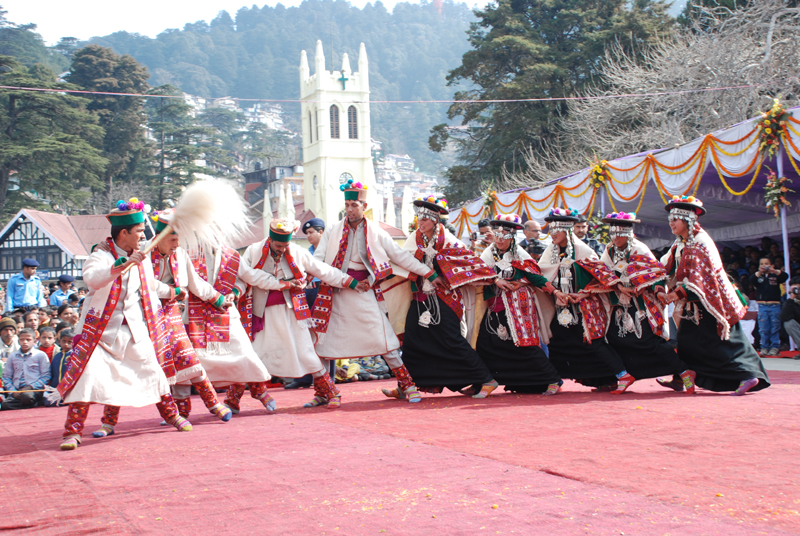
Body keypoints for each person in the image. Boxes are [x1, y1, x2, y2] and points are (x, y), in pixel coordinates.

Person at [56, 198, 191, 451]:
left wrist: (174, 292)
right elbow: (93, 280)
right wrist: (120, 265)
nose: (143, 236)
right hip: (101, 333)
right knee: (87, 378)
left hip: (135, 329)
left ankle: (172, 416)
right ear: (124, 232)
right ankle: (72, 433)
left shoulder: (140, 257)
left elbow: (151, 287)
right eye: (139, 232)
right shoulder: (100, 255)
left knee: (153, 371)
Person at [313, 179, 447, 404]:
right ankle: (323, 393)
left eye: (354, 205)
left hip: (364, 291)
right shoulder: (333, 230)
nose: (350, 210)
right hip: (335, 291)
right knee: (323, 344)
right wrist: (310, 274)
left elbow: (400, 256)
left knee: (384, 339)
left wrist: (428, 273)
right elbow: (317, 260)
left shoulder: (376, 232)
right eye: (347, 205)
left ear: (364, 206)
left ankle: (408, 386)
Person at [240, 218, 362, 409]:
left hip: (293, 311)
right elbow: (244, 276)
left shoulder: (297, 252)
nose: (282, 249)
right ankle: (237, 398)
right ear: (270, 240)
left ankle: (331, 392)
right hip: (261, 314)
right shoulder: (253, 251)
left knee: (306, 352)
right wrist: (233, 293)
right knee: (254, 354)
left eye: (285, 245)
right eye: (278, 245)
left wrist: (350, 282)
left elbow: (323, 271)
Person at [659, 195, 770, 395]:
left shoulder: (701, 242)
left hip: (715, 303)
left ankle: (749, 375)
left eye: (675, 219)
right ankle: (681, 377)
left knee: (727, 343)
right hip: (695, 304)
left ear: (687, 219)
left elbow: (700, 278)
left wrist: (675, 294)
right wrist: (654, 283)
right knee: (687, 342)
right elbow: (664, 267)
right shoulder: (680, 244)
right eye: (670, 219)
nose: (671, 223)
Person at [396, 196, 499, 398]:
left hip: (446, 299)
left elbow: (470, 263)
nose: (420, 222)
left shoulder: (449, 240)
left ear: (435, 220)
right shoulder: (414, 238)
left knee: (451, 340)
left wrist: (441, 269)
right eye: (419, 218)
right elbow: (402, 259)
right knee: (412, 340)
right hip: (421, 297)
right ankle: (406, 386)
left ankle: (486, 380)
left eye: (425, 219)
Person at [592, 212, 695, 393]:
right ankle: (623, 375)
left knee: (648, 341)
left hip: (642, 304)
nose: (615, 238)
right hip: (619, 303)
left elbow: (656, 275)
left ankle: (684, 372)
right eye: (613, 233)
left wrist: (644, 286)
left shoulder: (639, 249)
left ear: (628, 233)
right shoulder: (609, 250)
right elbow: (603, 273)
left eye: (619, 233)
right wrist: (618, 286)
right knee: (616, 338)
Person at [537, 207, 636, 393]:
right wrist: (555, 292)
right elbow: (542, 274)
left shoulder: (583, 250)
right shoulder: (550, 251)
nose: (551, 234)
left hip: (585, 307)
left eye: (555, 229)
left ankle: (622, 375)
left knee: (592, 343)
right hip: (562, 307)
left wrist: (583, 293)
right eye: (550, 229)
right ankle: (554, 379)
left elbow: (601, 277)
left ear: (566, 230)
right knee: (558, 341)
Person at [185, 241, 275, 414]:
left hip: (226, 312)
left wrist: (234, 293)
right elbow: (189, 282)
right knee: (194, 362)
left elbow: (246, 278)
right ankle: (181, 411)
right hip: (196, 314)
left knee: (244, 353)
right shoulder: (188, 252)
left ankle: (258, 389)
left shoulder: (231, 254)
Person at [476, 214, 562, 395]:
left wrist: (555, 292)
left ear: (512, 237)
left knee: (526, 345)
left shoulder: (519, 254)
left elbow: (535, 276)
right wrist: (495, 280)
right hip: (495, 305)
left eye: (504, 237)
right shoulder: (489, 252)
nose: (499, 240)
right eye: (497, 236)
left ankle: (553, 379)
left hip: (518, 306)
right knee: (486, 343)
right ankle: (482, 381)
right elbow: (479, 270)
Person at [285, 217, 327, 390]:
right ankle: (305, 378)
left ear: (321, 232)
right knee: (305, 336)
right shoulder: (306, 252)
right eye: (307, 233)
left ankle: (326, 379)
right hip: (307, 292)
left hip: (323, 291)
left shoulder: (330, 251)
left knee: (322, 337)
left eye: (311, 232)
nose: (309, 236)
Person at [1, 328, 50, 410]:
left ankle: (34, 401)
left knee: (26, 396)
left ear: (35, 341)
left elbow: (46, 377)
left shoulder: (40, 355)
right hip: (17, 390)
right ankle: (33, 404)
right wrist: (13, 392)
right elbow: (6, 377)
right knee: (5, 405)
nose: (25, 342)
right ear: (18, 341)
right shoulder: (13, 356)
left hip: (34, 390)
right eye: (22, 340)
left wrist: (29, 388)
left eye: (28, 340)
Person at [750, 257, 788, 356]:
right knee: (763, 328)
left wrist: (775, 271)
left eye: (766, 263)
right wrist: (759, 273)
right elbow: (751, 280)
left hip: (774, 305)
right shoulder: (758, 277)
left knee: (775, 327)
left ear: (771, 265)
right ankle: (764, 347)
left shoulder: (775, 275)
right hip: (762, 305)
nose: (764, 265)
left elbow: (785, 276)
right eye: (762, 264)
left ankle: (775, 347)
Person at [48, 328, 74, 399]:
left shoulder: (75, 356)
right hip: (56, 388)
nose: (66, 344)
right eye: (64, 341)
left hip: (70, 388)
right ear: (59, 341)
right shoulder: (57, 356)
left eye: (69, 342)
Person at [780, 276, 800, 358]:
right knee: (789, 323)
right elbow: (784, 317)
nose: (797, 291)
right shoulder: (790, 302)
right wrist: (791, 299)